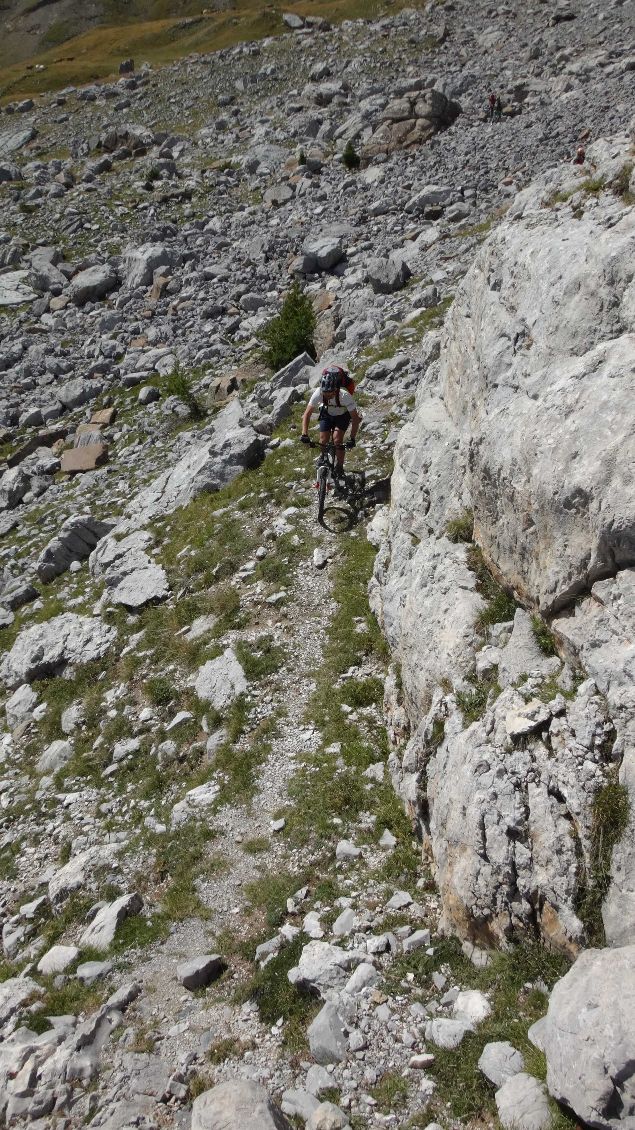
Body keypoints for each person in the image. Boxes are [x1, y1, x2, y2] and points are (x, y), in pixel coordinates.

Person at [300, 364, 361, 476]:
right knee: (323, 440)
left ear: (336, 389)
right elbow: (307, 414)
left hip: (342, 415)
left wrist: (352, 438)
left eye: (330, 393)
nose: (327, 395)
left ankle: (339, 467)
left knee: (337, 440)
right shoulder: (319, 392)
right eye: (325, 393)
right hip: (327, 413)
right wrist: (304, 434)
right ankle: (323, 457)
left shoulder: (345, 395)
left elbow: (355, 418)